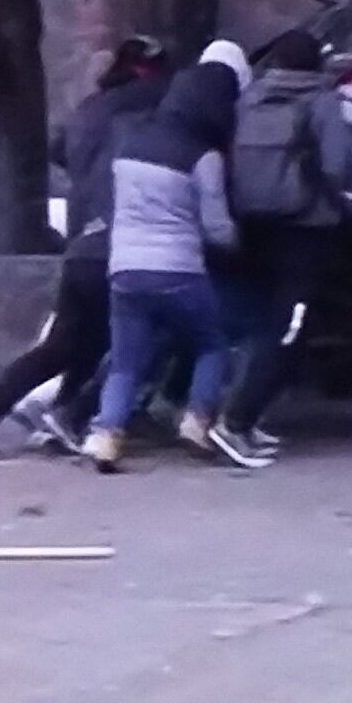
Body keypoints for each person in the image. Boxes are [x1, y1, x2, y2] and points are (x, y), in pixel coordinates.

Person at [0, 36, 172, 458]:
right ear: (152, 69)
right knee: (144, 339)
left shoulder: (89, 110)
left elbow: (59, 152)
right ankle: (73, 414)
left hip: (82, 242)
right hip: (123, 240)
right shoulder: (150, 104)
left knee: (70, 344)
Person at [82, 41, 248, 473]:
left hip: (124, 270)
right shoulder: (203, 155)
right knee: (211, 344)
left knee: (125, 363)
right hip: (179, 271)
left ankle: (105, 436)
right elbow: (216, 226)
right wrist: (237, 244)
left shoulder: (130, 142)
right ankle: (196, 420)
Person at [211, 29, 352, 468]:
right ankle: (233, 423)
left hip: (251, 228)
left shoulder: (248, 99)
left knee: (258, 325)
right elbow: (338, 166)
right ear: (315, 65)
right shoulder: (322, 102)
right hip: (304, 231)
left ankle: (239, 420)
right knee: (290, 331)